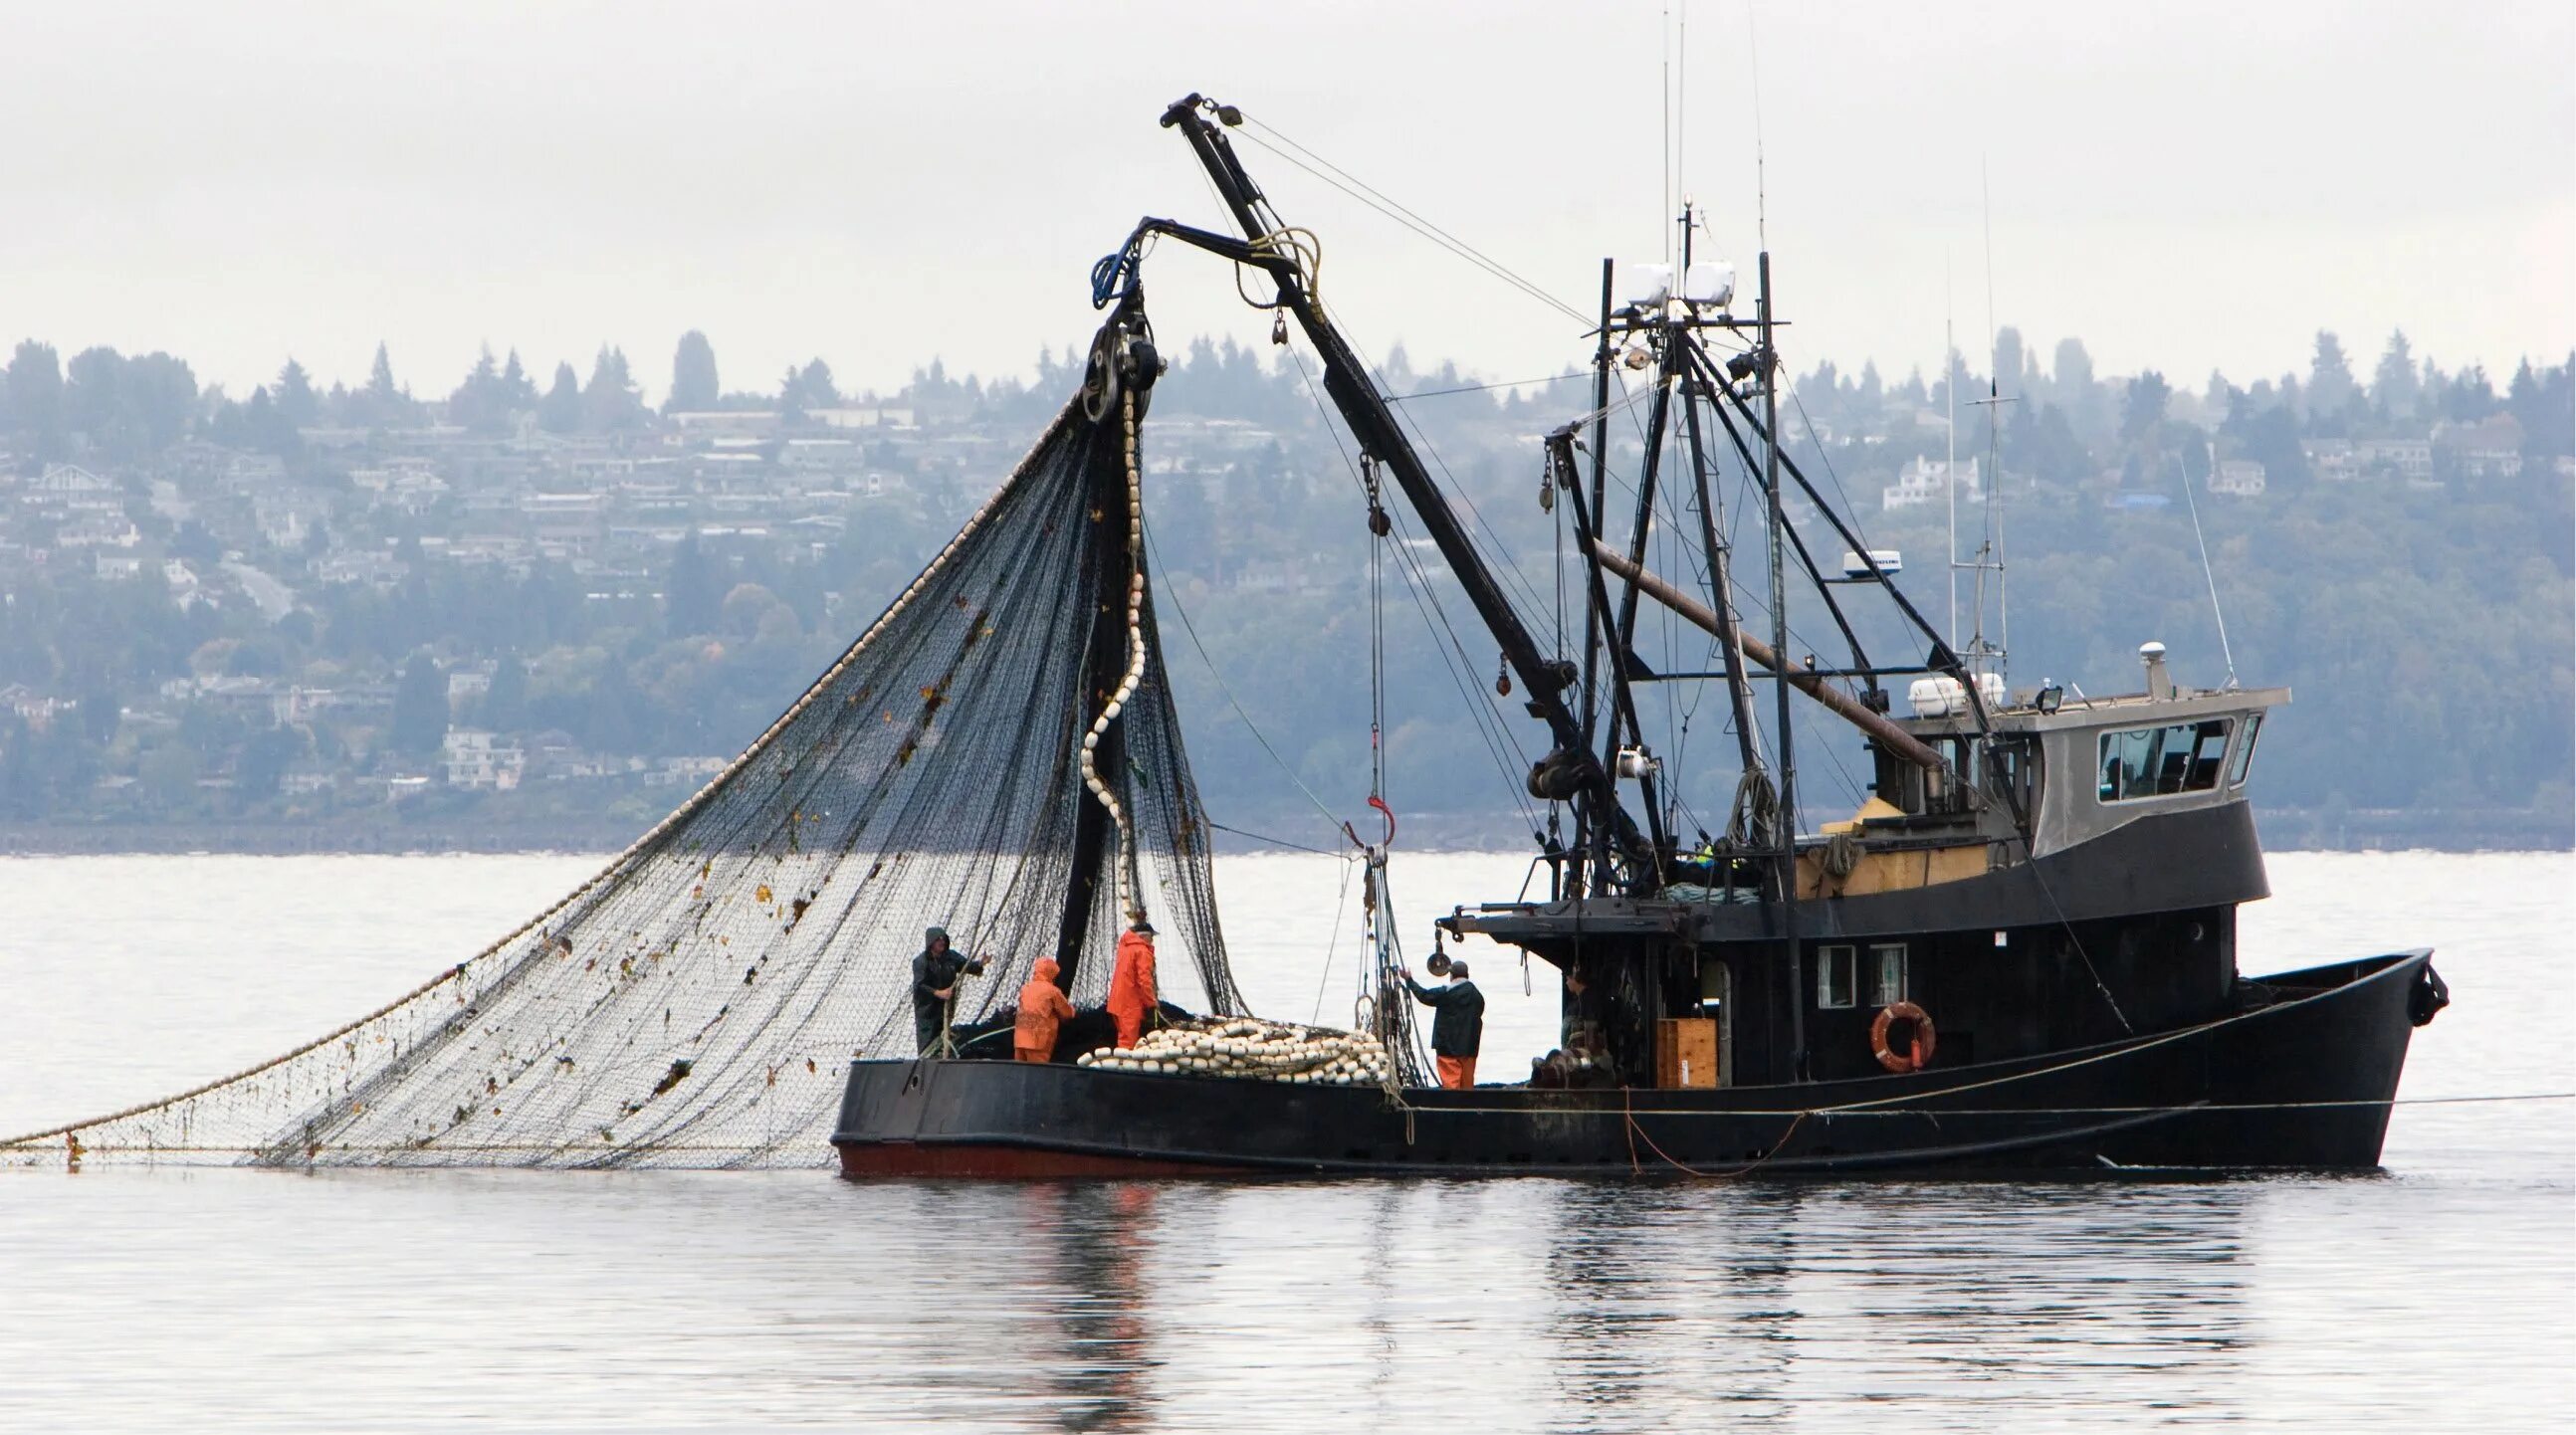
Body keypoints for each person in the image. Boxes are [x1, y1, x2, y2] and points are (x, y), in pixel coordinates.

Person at [1404, 957, 1485, 1090]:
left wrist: (1409, 980)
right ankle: (1468, 1108)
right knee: (1467, 1088)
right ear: (1467, 976)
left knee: (1451, 1088)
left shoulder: (1445, 993)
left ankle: (1453, 1108)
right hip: (1469, 1048)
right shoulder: (1477, 996)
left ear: (1451, 976)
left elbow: (1424, 995)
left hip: (1447, 1049)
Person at [911, 925, 982, 1057]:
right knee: (928, 1038)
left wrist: (980, 964)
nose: (942, 942)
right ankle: (927, 1060)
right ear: (931, 942)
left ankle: (943, 1056)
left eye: (943, 939)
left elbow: (967, 966)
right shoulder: (921, 961)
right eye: (938, 940)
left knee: (944, 1034)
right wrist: (938, 993)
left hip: (945, 1007)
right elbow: (920, 985)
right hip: (928, 1010)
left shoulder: (950, 957)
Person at [1013, 956, 1078, 1063]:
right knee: (1038, 1072)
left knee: (1020, 1070)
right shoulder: (1052, 991)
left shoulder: (1025, 988)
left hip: (1020, 1039)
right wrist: (1073, 1010)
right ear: (1051, 973)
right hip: (1039, 1039)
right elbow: (1067, 1014)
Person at [1107, 920, 1158, 1049]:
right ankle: (1124, 1067)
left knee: (1123, 1036)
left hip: (1116, 1001)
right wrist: (1151, 1002)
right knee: (1128, 1042)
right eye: (1151, 937)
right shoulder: (1142, 951)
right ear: (1145, 936)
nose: (1152, 941)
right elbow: (1144, 980)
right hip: (1130, 1004)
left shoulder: (1124, 948)